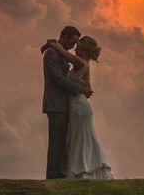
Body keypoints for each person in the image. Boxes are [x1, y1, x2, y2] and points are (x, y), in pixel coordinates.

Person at [46, 35, 114, 179]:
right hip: (80, 105)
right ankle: (84, 167)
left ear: (82, 48)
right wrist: (83, 87)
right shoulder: (86, 64)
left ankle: (81, 169)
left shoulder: (80, 62)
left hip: (78, 106)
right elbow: (88, 85)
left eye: (77, 45)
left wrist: (54, 44)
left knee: (78, 138)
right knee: (81, 137)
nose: (75, 47)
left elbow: (62, 52)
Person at [41, 26, 90, 179]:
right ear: (65, 37)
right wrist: (80, 89)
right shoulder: (51, 54)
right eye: (73, 42)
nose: (74, 47)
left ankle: (61, 172)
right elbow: (58, 79)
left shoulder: (60, 53)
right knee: (57, 141)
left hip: (65, 104)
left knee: (64, 141)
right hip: (56, 105)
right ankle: (54, 174)